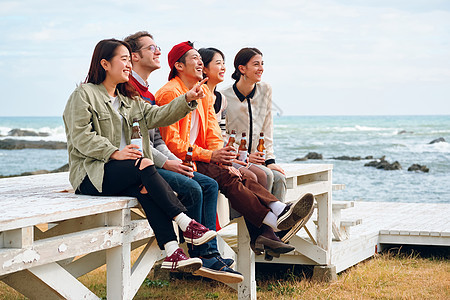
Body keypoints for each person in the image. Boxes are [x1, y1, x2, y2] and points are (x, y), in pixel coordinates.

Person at [63, 38, 215, 274]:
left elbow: (160, 115)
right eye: (123, 59)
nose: (128, 65)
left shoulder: (129, 100)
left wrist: (187, 99)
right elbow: (81, 137)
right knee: (143, 164)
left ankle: (173, 251)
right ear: (104, 63)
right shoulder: (83, 95)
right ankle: (186, 223)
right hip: (93, 175)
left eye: (128, 60)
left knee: (146, 188)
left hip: (129, 173)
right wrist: (114, 152)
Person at [155, 41, 315, 257]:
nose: (200, 62)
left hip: (197, 158)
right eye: (195, 58)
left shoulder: (201, 92)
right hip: (181, 161)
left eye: (201, 59)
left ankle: (277, 212)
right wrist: (213, 157)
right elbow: (171, 143)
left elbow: (212, 134)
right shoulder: (169, 93)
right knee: (231, 177)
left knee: (240, 174)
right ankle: (272, 221)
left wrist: (222, 160)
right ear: (179, 66)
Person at [123, 31, 242, 284]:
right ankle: (202, 253)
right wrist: (170, 162)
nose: (158, 51)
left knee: (210, 184)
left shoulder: (147, 93)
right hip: (137, 167)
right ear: (135, 57)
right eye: (152, 47)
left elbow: (155, 141)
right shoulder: (137, 92)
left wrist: (174, 161)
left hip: (160, 160)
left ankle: (208, 253)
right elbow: (137, 144)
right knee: (196, 187)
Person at [221, 47, 287, 204]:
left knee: (280, 178)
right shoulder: (224, 96)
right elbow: (223, 136)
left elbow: (267, 127)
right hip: (239, 160)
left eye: (262, 64)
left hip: (259, 160)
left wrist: (270, 161)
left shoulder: (265, 90)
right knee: (268, 176)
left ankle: (279, 224)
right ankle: (266, 224)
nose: (261, 69)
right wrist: (243, 155)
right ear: (242, 68)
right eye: (256, 64)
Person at [198, 47, 268, 190]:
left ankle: (274, 209)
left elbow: (221, 134)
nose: (223, 67)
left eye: (223, 63)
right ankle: (266, 211)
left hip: (227, 154)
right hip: (210, 156)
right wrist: (235, 155)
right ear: (204, 69)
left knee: (266, 175)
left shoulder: (221, 99)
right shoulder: (199, 97)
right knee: (253, 176)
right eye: (218, 63)